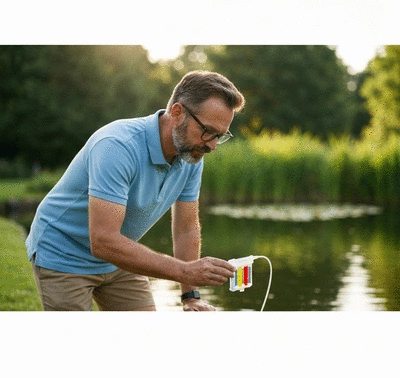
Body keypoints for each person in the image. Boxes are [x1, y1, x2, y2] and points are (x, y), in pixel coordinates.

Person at [26, 70, 246, 311]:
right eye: (207, 131)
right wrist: (184, 270)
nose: (212, 145)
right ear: (177, 113)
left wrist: (190, 295)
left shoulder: (191, 154)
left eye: (219, 136)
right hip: (64, 253)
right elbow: (102, 241)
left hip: (119, 258)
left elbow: (186, 229)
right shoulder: (117, 146)